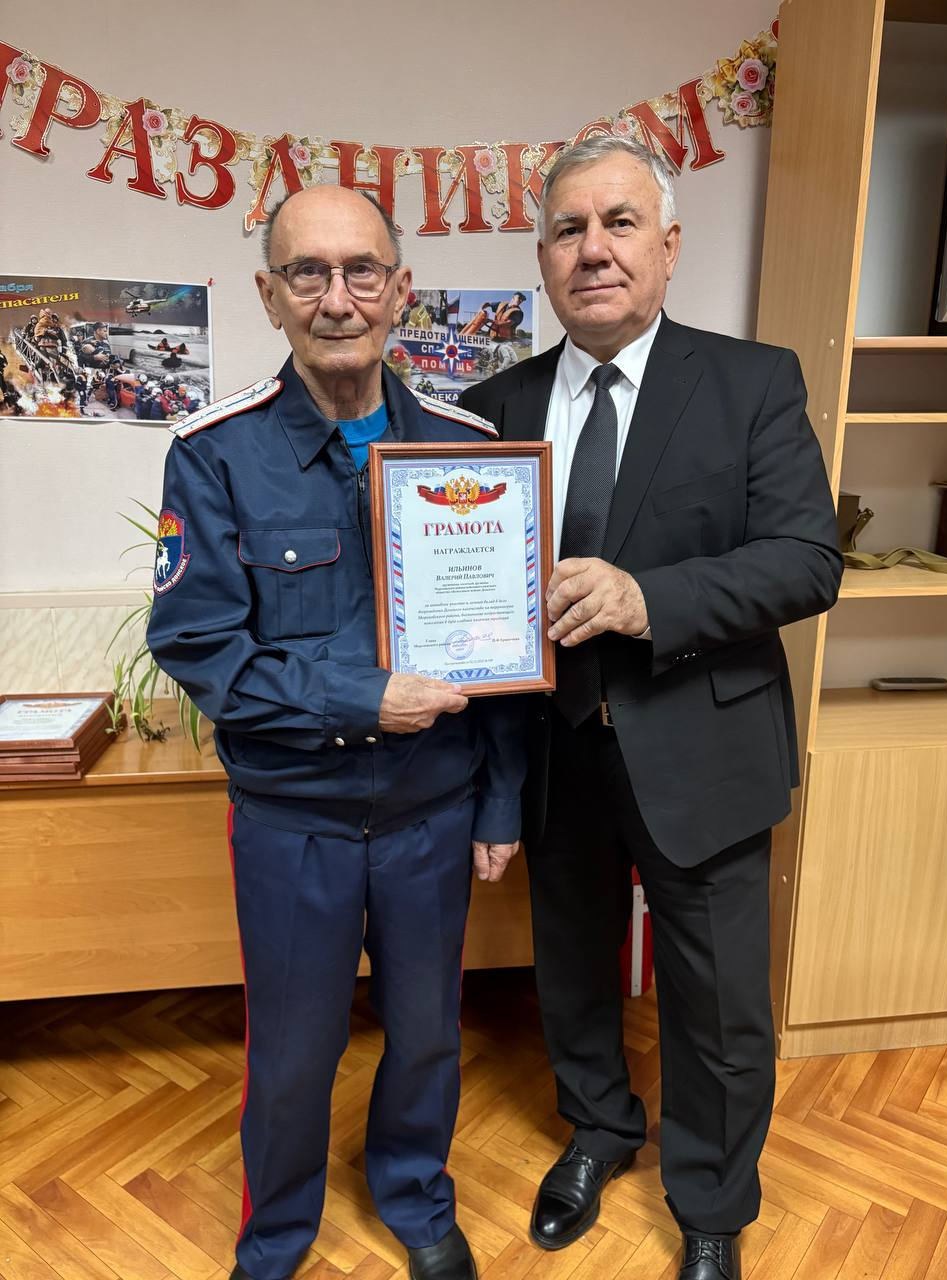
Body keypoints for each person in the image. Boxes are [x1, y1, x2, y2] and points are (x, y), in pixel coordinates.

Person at [460, 135, 842, 1280]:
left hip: (704, 749)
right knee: (573, 972)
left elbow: (807, 560)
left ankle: (713, 1203)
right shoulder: (488, 409)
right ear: (542, 257)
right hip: (556, 752)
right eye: (569, 229)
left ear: (669, 247)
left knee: (718, 1003)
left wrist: (648, 598)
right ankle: (599, 1128)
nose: (595, 249)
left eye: (619, 222)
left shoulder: (753, 380)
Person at [147, 184, 523, 1280]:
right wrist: (361, 697)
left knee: (429, 1032)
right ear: (271, 296)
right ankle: (275, 1237)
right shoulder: (215, 453)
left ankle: (416, 1197)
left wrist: (499, 802)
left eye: (362, 270)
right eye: (307, 273)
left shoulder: (469, 448)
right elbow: (201, 647)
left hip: (431, 814)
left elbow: (502, 658)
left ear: (401, 289)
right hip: (293, 823)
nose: (337, 297)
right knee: (294, 1048)